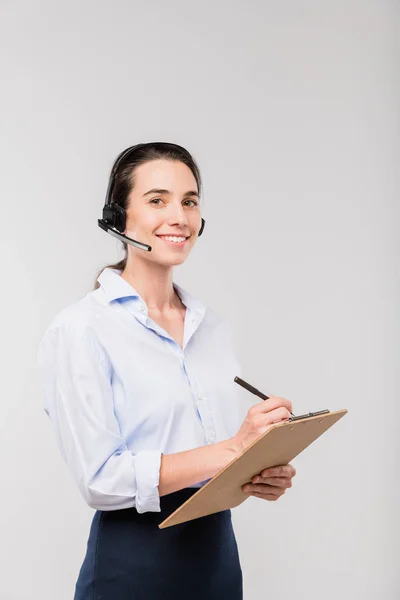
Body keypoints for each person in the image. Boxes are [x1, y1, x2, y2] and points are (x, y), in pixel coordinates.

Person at [37, 141, 296, 600]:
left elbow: (213, 457)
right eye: (157, 200)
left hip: (217, 561)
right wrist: (235, 449)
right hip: (133, 567)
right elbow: (100, 479)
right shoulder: (82, 328)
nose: (179, 216)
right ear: (119, 217)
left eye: (189, 201)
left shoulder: (212, 328)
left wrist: (255, 470)